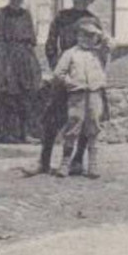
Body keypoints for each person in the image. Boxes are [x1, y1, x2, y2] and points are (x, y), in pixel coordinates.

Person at [41, 0, 105, 170]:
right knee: (52, 118)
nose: (81, 1)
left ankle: (77, 160)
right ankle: (44, 161)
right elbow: (51, 44)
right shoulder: (62, 17)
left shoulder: (94, 21)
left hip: (86, 75)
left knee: (87, 119)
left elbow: (101, 49)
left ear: (90, 1)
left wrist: (95, 73)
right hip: (66, 71)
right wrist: (57, 69)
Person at [0, 0, 43, 143]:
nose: (16, 1)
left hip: (24, 59)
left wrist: (31, 62)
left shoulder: (26, 15)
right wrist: (4, 60)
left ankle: (25, 133)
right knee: (0, 96)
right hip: (5, 59)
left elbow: (31, 40)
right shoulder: (1, 14)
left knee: (25, 97)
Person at [50, 18, 111, 178]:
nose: (86, 38)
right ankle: (65, 163)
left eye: (90, 35)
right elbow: (58, 74)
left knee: (93, 127)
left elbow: (111, 44)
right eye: (83, 34)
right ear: (77, 35)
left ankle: (92, 164)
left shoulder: (99, 53)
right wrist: (69, 83)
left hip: (95, 93)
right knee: (73, 125)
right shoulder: (70, 53)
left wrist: (99, 32)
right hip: (77, 95)